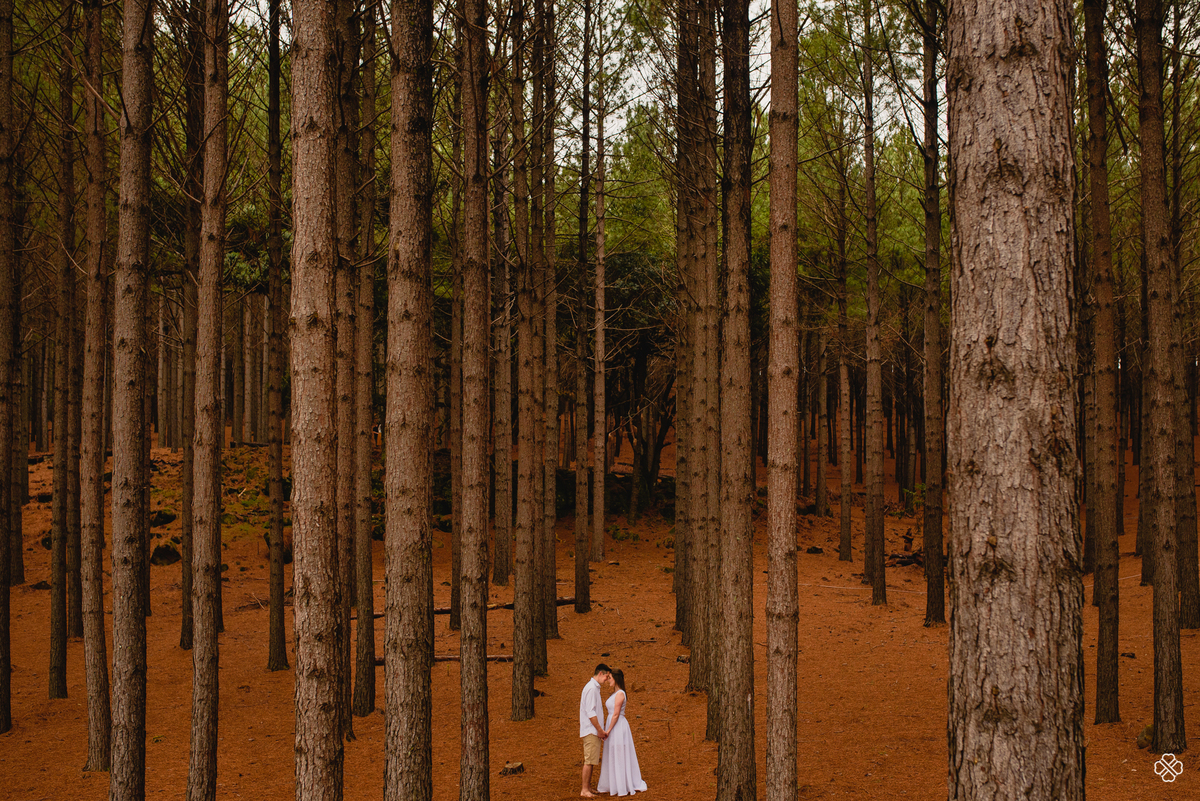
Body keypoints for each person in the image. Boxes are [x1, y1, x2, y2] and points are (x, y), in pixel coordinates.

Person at [596, 668, 647, 796]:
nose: (608, 681)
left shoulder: (620, 694)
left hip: (617, 727)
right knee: (613, 752)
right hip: (613, 725)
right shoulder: (615, 694)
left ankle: (621, 783)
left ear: (616, 679)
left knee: (619, 751)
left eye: (610, 678)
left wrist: (608, 730)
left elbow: (616, 714)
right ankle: (613, 782)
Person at [580, 663, 613, 798]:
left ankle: (588, 787)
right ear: (600, 673)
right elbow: (591, 712)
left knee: (593, 759)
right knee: (589, 760)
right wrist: (599, 730)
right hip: (591, 730)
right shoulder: (591, 689)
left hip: (593, 730)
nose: (607, 679)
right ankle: (584, 790)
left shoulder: (594, 688)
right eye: (606, 676)